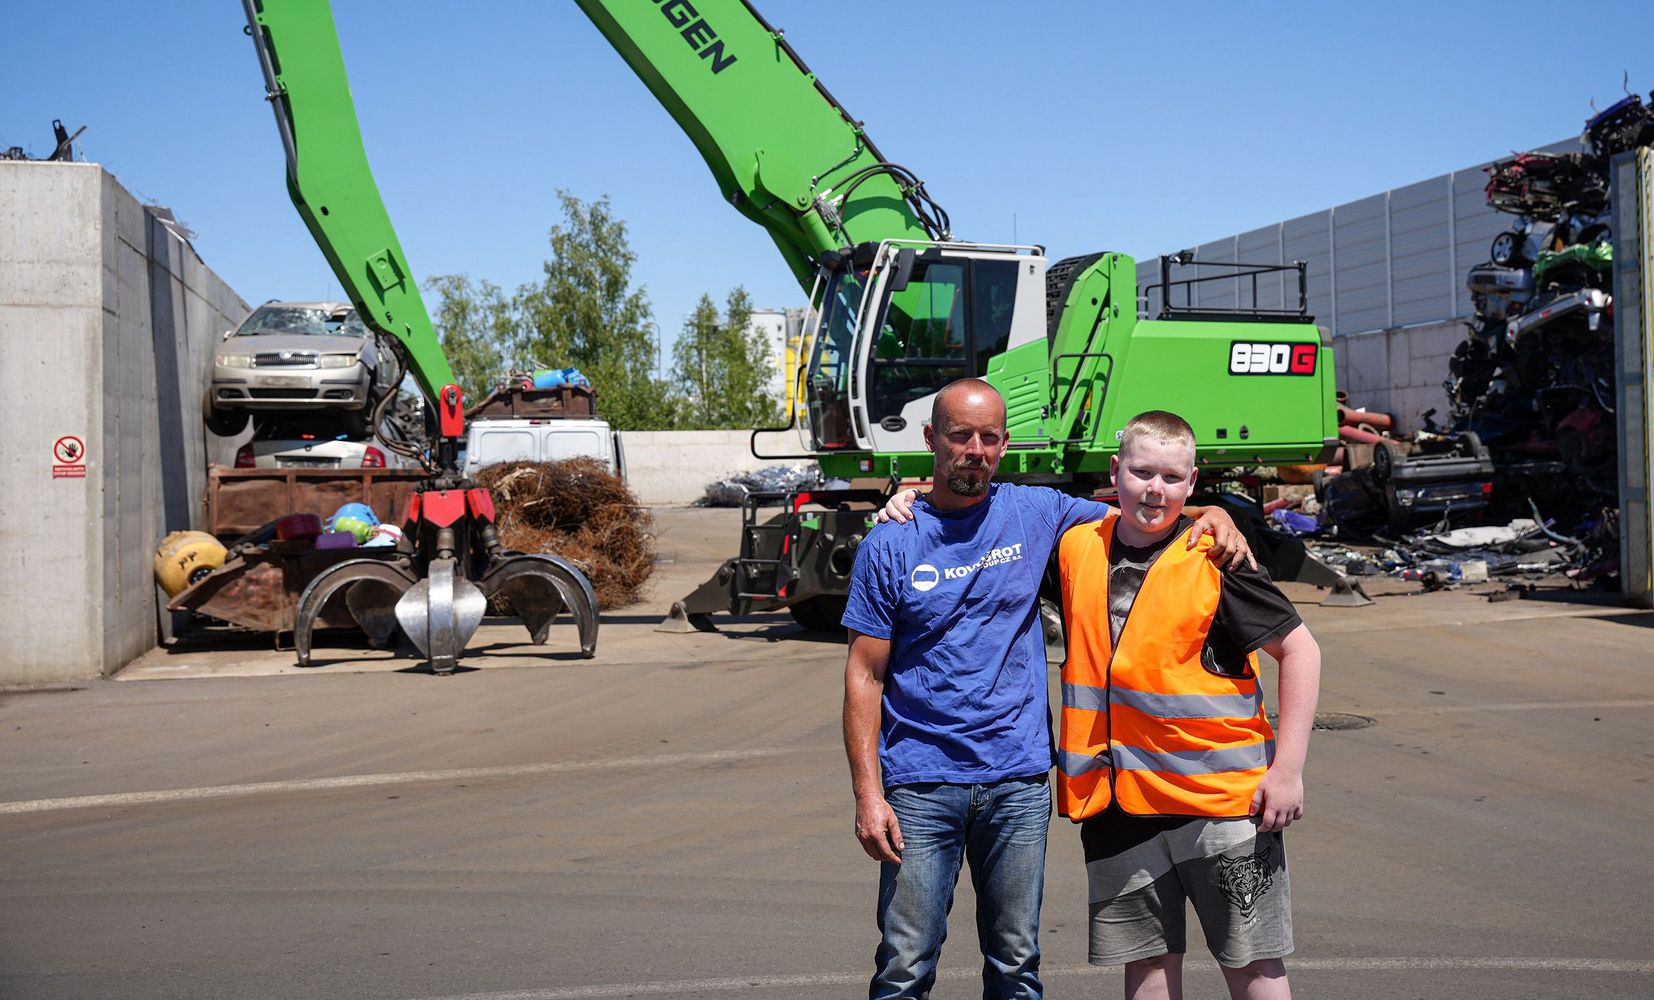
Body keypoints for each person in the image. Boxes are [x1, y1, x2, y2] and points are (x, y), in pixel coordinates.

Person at [841, 379, 1254, 1000]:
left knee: (1016, 964)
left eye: (988, 437)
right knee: (904, 965)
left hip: (1019, 781)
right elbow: (864, 675)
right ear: (930, 439)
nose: (974, 450)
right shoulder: (890, 542)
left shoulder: (1036, 513)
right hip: (920, 786)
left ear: (1005, 444)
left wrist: (1213, 514)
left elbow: (1144, 512)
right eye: (959, 435)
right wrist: (868, 795)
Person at [1056, 410, 1321, 1000]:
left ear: (1192, 481)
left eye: (1173, 478)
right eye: (1142, 472)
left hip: (1220, 807)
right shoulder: (1077, 549)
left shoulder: (1215, 557)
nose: (1155, 489)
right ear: (1114, 471)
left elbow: (1301, 651)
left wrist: (1288, 771)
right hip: (1117, 803)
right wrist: (913, 500)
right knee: (1147, 963)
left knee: (1252, 966)